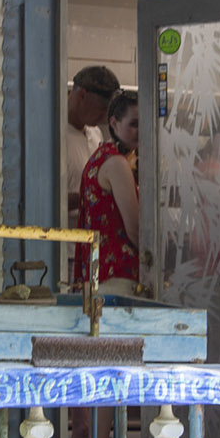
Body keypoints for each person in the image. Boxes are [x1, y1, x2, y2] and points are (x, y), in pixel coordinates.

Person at [74, 91, 140, 296]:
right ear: (114, 122)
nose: (141, 131)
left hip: (98, 273)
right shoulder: (117, 164)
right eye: (134, 124)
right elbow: (135, 229)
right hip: (118, 276)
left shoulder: (99, 157)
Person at [64, 66, 121, 227]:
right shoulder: (52, 139)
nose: (105, 117)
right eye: (102, 109)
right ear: (82, 95)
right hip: (66, 242)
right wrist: (93, 194)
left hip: (93, 238)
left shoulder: (95, 133)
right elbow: (44, 199)